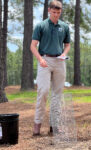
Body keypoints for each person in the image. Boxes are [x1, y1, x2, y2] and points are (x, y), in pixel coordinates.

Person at [30, 0, 70, 136]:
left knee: (57, 95)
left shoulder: (64, 26)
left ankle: (55, 126)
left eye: (58, 13)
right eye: (54, 12)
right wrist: (40, 59)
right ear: (49, 11)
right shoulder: (41, 26)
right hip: (45, 60)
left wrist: (64, 54)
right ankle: (37, 125)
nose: (56, 15)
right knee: (43, 91)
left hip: (59, 61)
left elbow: (67, 44)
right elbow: (33, 46)